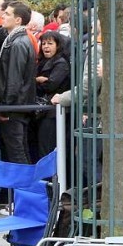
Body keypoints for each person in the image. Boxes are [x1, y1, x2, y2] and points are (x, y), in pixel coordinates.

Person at [0, 1, 38, 164]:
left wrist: (6, 108)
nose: (2, 17)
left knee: (17, 152)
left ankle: (25, 188)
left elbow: (14, 79)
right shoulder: (16, 40)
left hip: (15, 107)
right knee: (20, 149)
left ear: (18, 20)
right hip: (19, 105)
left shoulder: (18, 43)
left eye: (7, 14)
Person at [34, 30, 70, 159]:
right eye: (43, 43)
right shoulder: (42, 62)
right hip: (44, 110)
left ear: (58, 45)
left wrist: (38, 80)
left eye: (50, 43)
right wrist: (39, 80)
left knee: (47, 147)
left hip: (53, 112)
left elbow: (51, 85)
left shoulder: (61, 63)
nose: (46, 47)